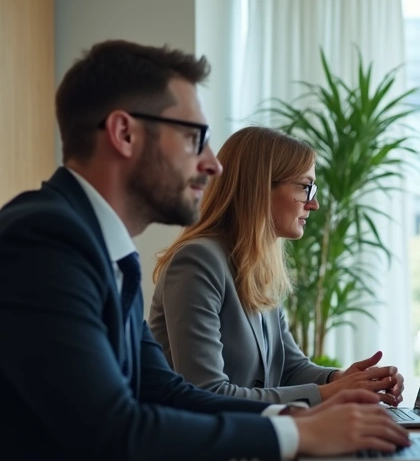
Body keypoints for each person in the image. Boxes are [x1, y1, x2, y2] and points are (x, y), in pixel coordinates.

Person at [0, 40, 410, 461]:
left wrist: (304, 413)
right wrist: (299, 433)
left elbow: (166, 392)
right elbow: (115, 432)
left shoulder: (99, 249)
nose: (212, 164)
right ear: (123, 133)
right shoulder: (41, 243)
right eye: (194, 138)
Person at [150, 126, 404, 406]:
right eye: (305, 187)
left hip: (250, 440)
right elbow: (207, 393)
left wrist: (341, 379)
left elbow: (290, 368)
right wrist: (329, 393)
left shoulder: (258, 267)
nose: (314, 204)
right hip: (200, 446)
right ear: (260, 187)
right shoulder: (198, 261)